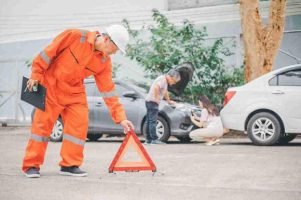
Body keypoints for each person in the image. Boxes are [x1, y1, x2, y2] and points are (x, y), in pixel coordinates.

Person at [22, 24, 134, 178]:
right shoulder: (74, 36)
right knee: (41, 128)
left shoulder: (104, 61)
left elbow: (108, 91)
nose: (115, 53)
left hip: (75, 93)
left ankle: (70, 165)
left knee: (79, 125)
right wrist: (35, 75)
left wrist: (121, 118)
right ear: (107, 39)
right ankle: (31, 165)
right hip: (51, 87)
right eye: (116, 49)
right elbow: (46, 55)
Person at [144, 70, 181, 145]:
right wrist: (156, 97)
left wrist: (169, 101)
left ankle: (148, 140)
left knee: (149, 120)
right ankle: (154, 139)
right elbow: (156, 87)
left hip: (149, 101)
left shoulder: (164, 81)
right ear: (170, 77)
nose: (173, 83)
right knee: (152, 121)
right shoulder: (163, 80)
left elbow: (165, 92)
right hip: (152, 102)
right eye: (174, 81)